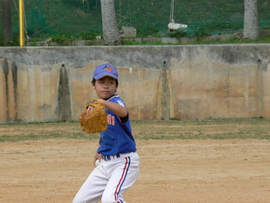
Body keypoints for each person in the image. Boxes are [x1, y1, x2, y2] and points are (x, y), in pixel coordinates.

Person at [73, 63, 140, 203]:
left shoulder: (116, 102)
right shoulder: (99, 107)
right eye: (101, 82)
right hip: (104, 164)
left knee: (111, 199)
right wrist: (99, 150)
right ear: (93, 85)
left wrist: (102, 102)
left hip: (124, 161)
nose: (106, 86)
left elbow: (123, 112)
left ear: (116, 86)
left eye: (110, 82)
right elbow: (108, 132)